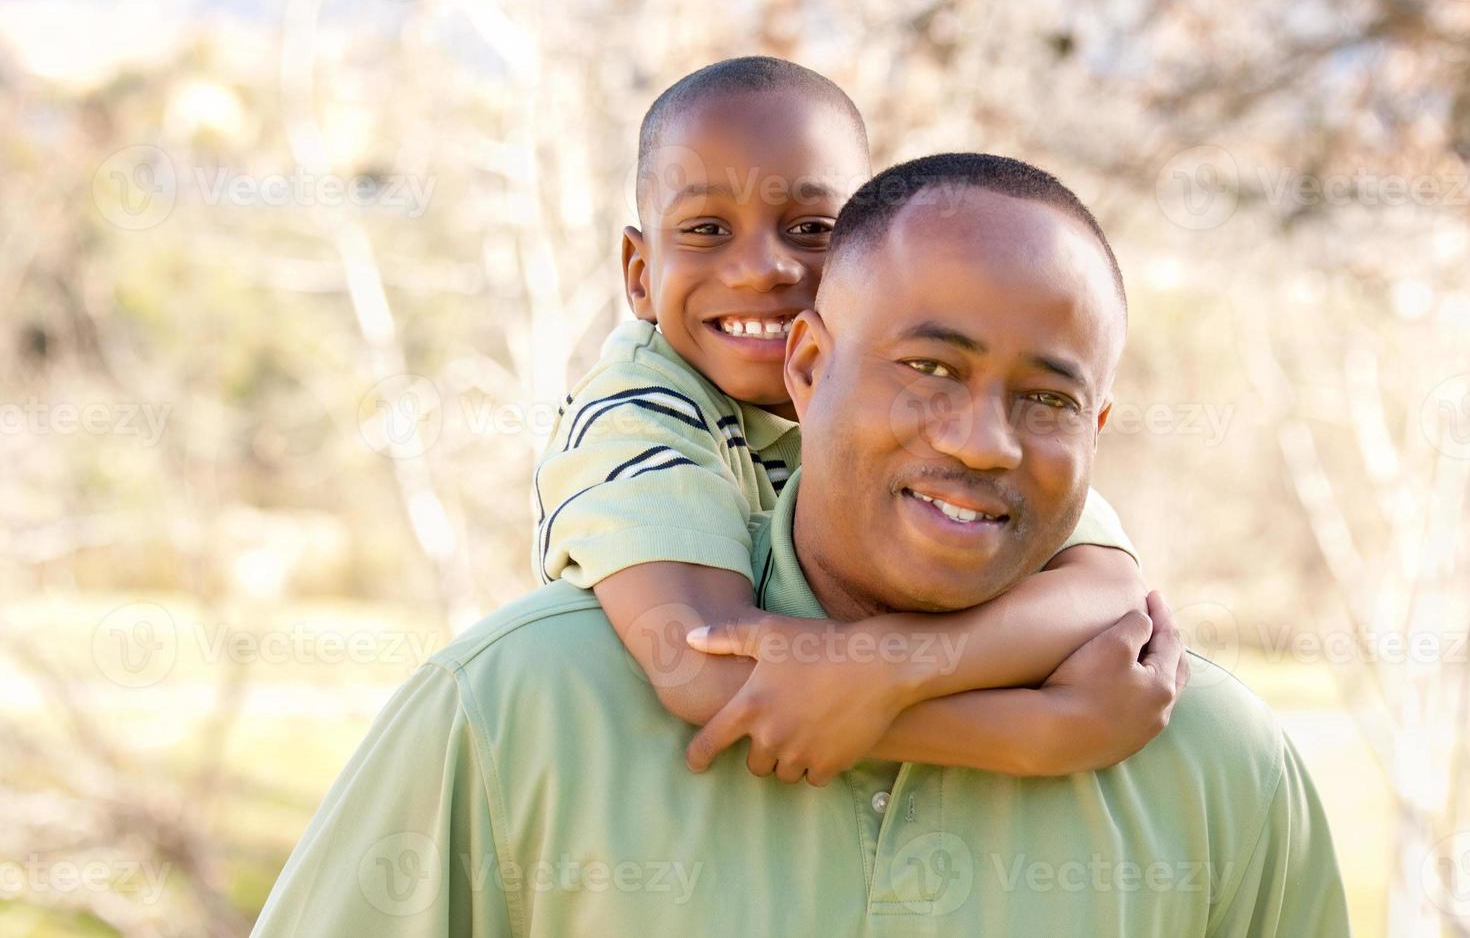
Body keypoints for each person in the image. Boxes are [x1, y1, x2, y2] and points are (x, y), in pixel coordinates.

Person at [251, 153, 1350, 937]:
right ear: (810, 367)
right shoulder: (514, 708)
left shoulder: (1217, 761)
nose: (984, 441)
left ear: (1096, 431)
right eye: (929, 367)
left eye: (1046, 398)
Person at [537, 56, 1164, 782]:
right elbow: (707, 667)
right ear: (640, 275)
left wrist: (891, 667)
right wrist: (1042, 734)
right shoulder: (633, 413)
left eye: (810, 228)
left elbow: (1107, 588)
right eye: (707, 229)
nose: (761, 269)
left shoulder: (915, 400)